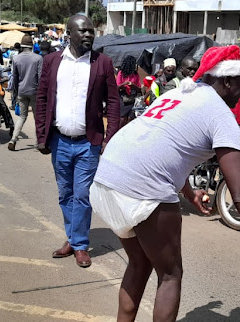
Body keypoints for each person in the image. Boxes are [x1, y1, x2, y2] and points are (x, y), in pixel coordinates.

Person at [90, 45, 240, 321]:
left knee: (139, 263)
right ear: (225, 81)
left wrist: (188, 191)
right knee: (171, 275)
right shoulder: (220, 114)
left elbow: (161, 145)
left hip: (108, 177)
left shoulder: (179, 93)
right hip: (143, 186)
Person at [34, 15, 121, 268]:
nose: (89, 35)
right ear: (68, 33)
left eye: (91, 32)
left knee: (82, 195)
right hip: (59, 141)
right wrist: (42, 136)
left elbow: (113, 102)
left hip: (88, 143)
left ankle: (80, 244)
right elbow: (42, 100)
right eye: (83, 31)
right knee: (65, 194)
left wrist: (110, 136)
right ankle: (72, 239)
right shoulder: (52, 61)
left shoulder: (102, 63)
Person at [7, 35, 42, 151]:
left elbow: (15, 77)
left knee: (22, 117)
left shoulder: (16, 59)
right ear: (32, 46)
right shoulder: (38, 58)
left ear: (21, 46)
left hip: (21, 91)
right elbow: (41, 77)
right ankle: (38, 143)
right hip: (35, 91)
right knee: (37, 118)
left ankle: (13, 139)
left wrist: (16, 93)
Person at [116, 55, 141, 126]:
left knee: (131, 118)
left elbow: (139, 89)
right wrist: (124, 84)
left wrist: (133, 85)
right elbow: (117, 87)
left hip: (132, 98)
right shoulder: (121, 73)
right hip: (123, 98)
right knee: (122, 118)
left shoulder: (136, 74)